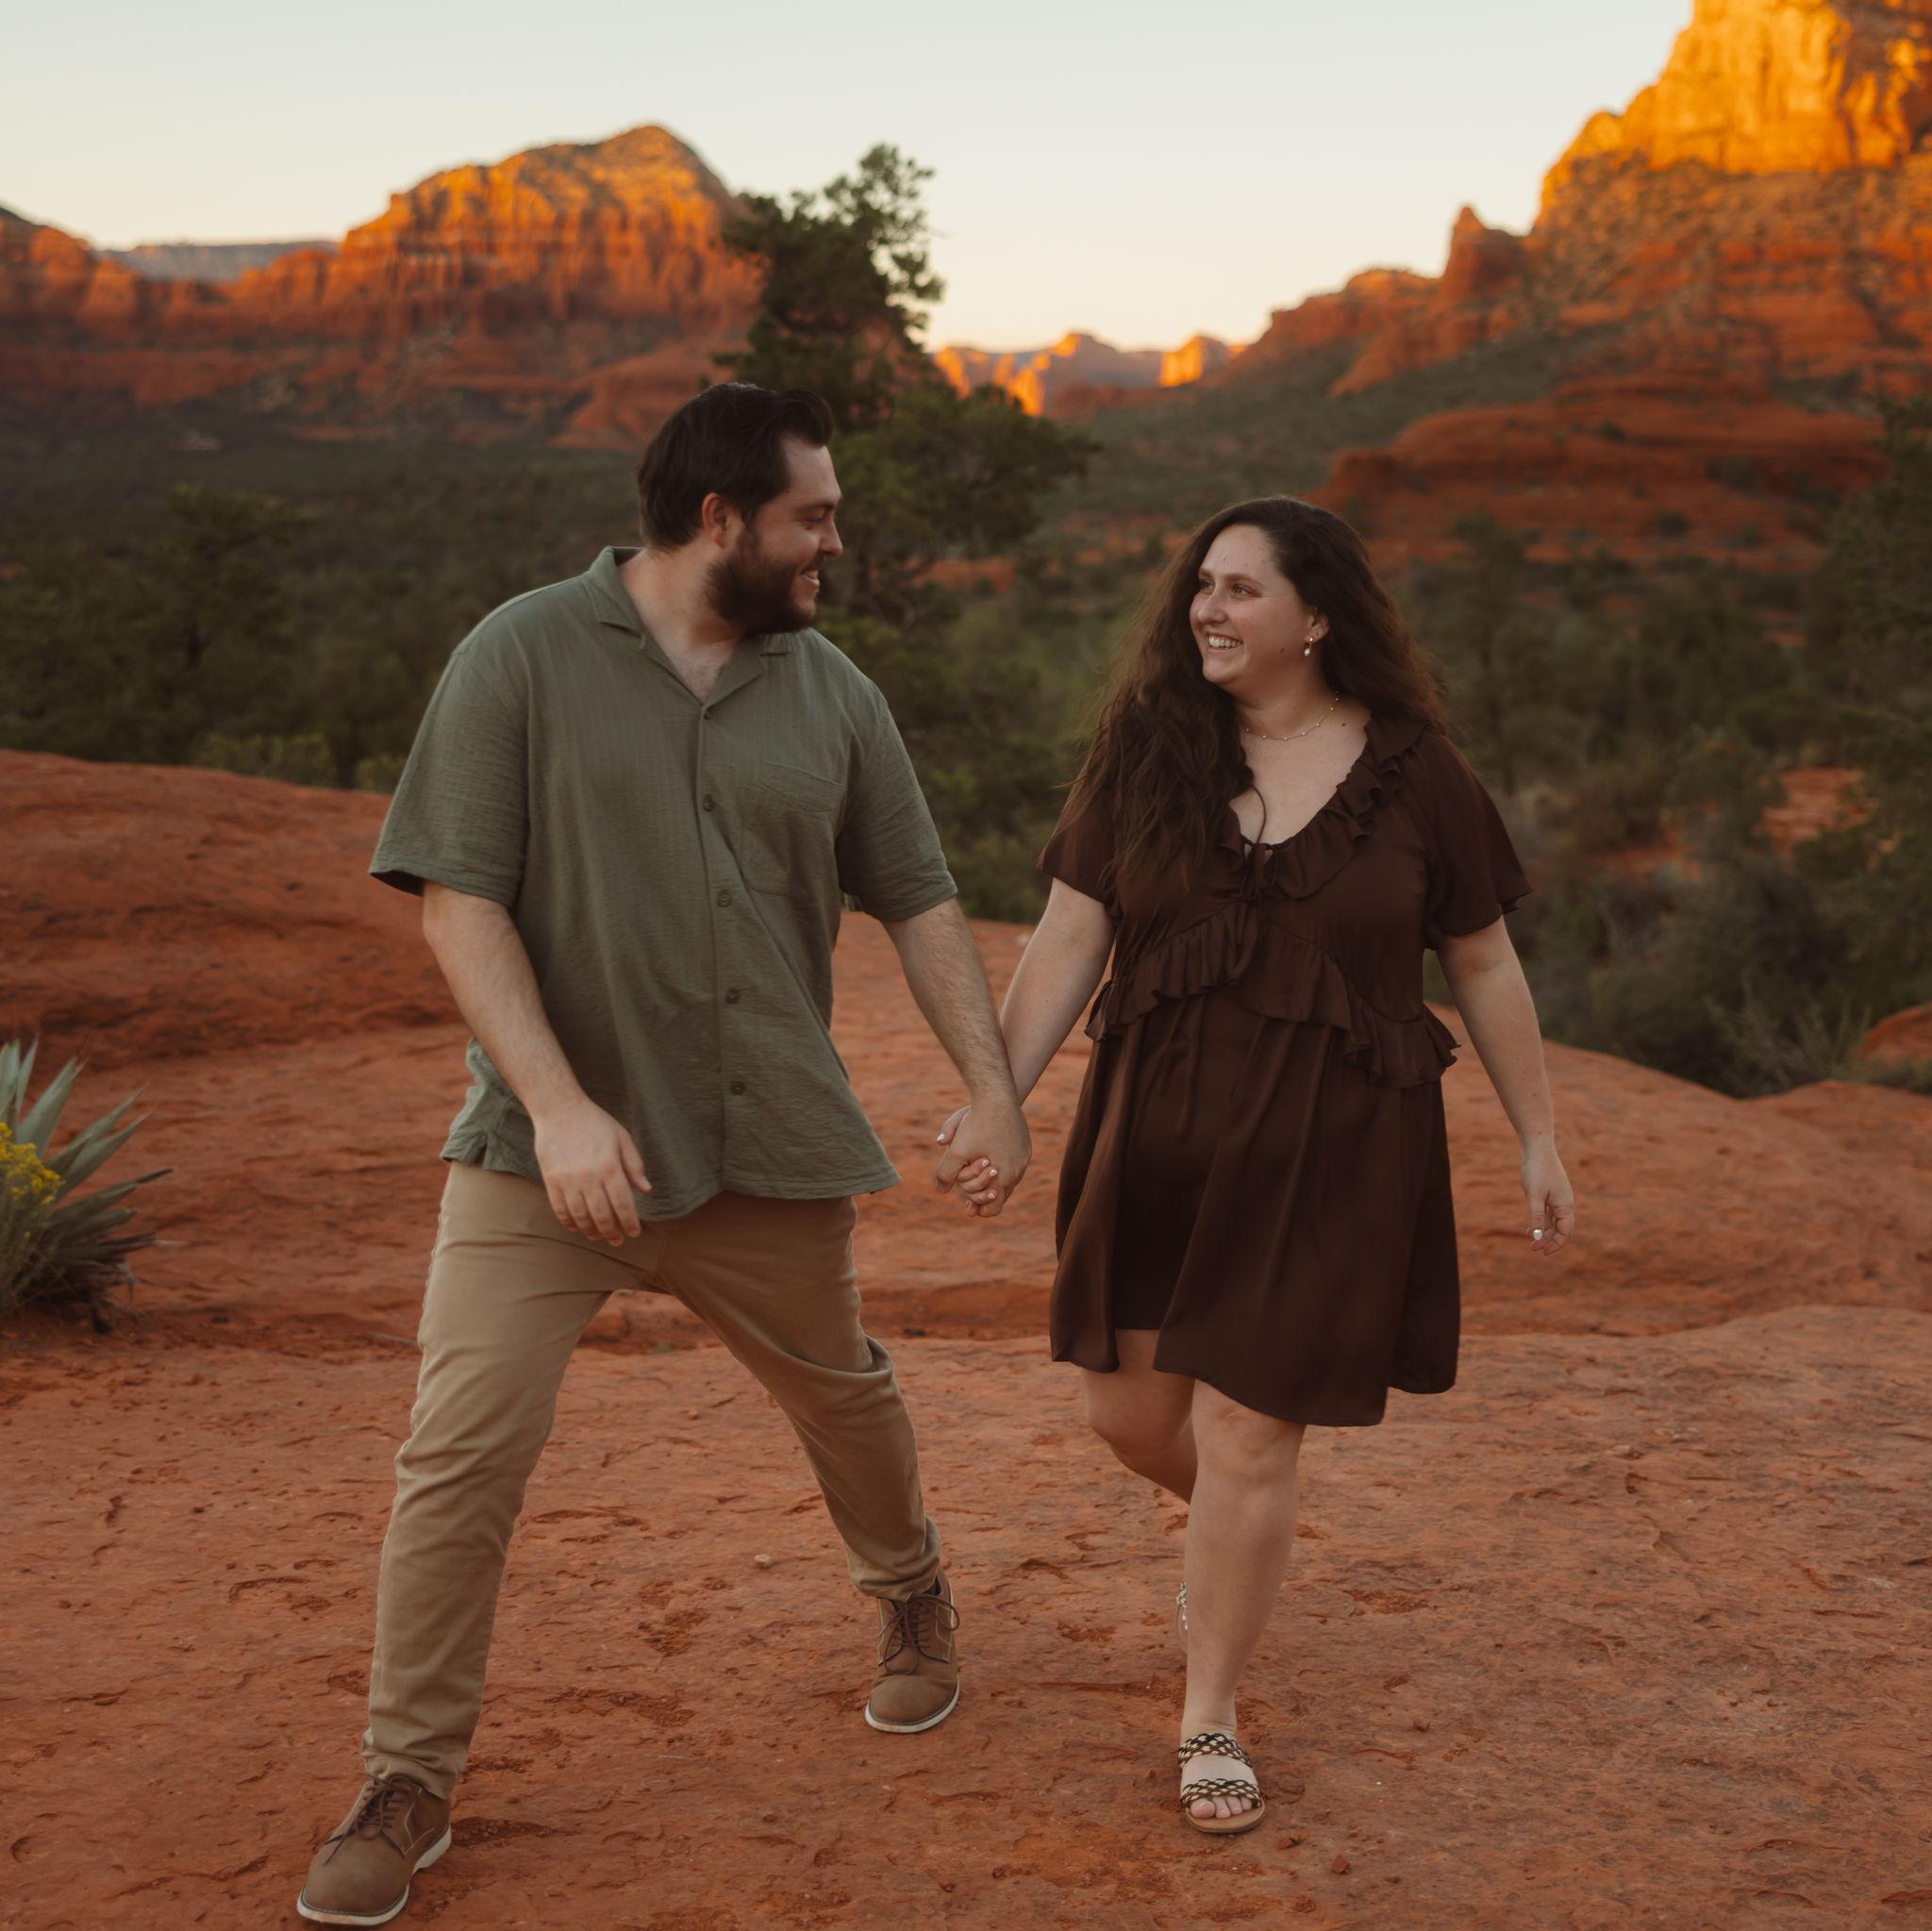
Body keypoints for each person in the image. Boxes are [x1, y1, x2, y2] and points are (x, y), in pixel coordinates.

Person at [297, 382, 1029, 1926]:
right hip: (540, 1155)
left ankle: (910, 1597)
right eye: (811, 516)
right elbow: (458, 896)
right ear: (720, 521)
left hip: (764, 1138)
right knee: (458, 1453)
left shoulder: (832, 693)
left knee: (844, 1400)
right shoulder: (520, 653)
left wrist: (996, 1086)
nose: (835, 540)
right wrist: (560, 1106)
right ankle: (405, 1774)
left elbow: (916, 894)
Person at [941, 495, 1576, 1835]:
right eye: (1202, 589)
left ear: (1319, 617)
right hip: (1156, 1128)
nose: (1208, 611)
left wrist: (1537, 1134)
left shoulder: (1421, 777)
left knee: (1243, 1425)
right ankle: (1249, 1526)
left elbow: (1483, 963)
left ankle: (1209, 1713)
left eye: (1240, 590)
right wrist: (997, 1095)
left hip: (1334, 1146)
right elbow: (1067, 936)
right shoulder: (1147, 753)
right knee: (1127, 1418)